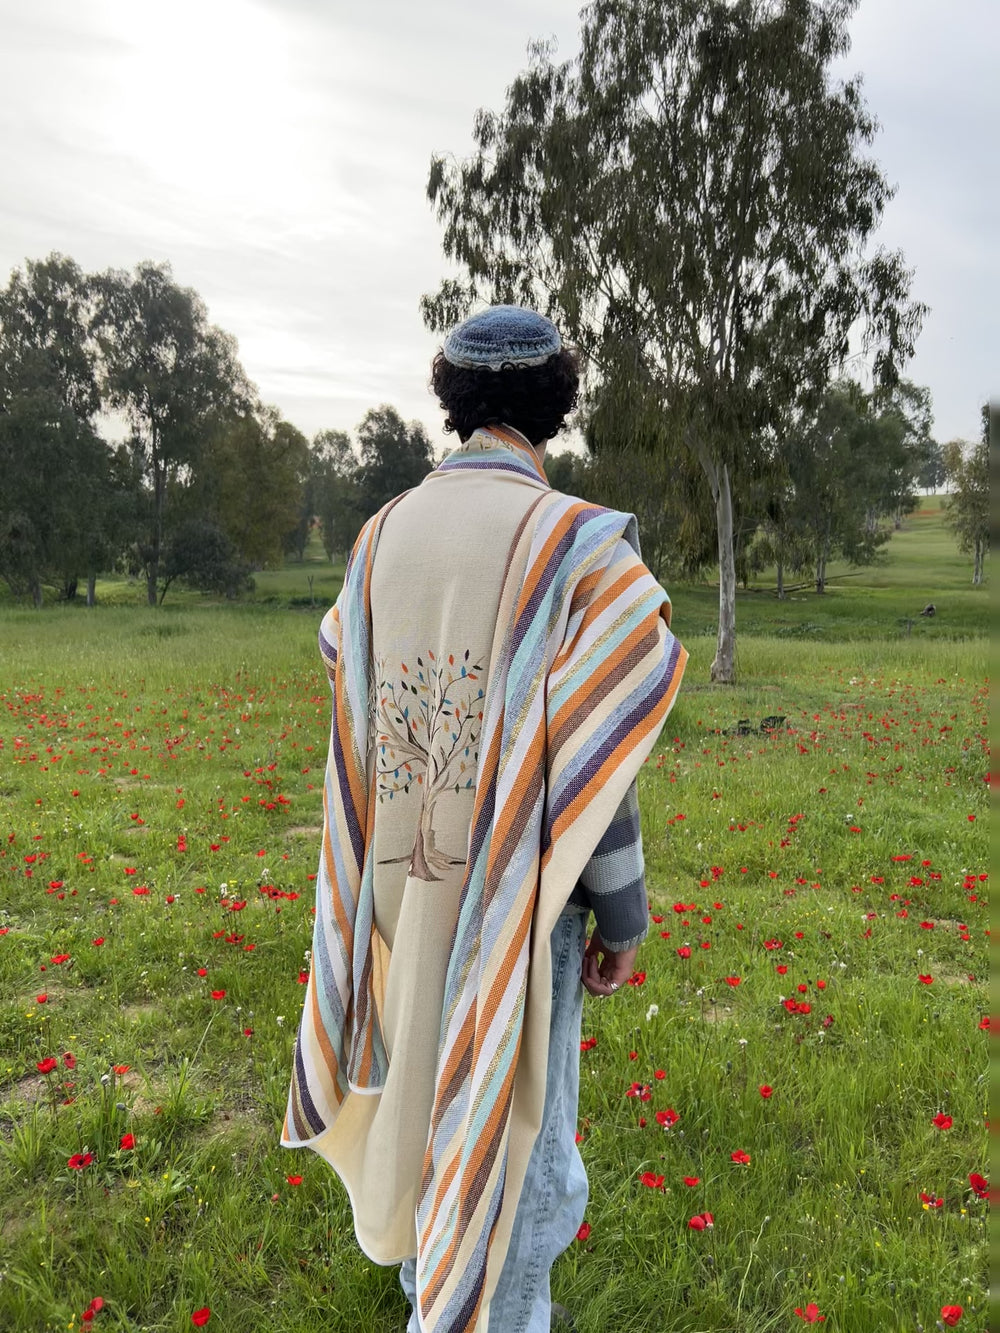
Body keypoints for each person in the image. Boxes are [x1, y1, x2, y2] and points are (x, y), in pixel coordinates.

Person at [281, 305, 687, 1333]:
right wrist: (623, 914)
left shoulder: (378, 539)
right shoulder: (578, 548)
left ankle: (434, 1297)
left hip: (399, 899)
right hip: (517, 907)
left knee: (424, 1117)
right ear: (555, 400)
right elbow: (597, 766)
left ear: (453, 397)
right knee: (517, 1167)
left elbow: (356, 709)